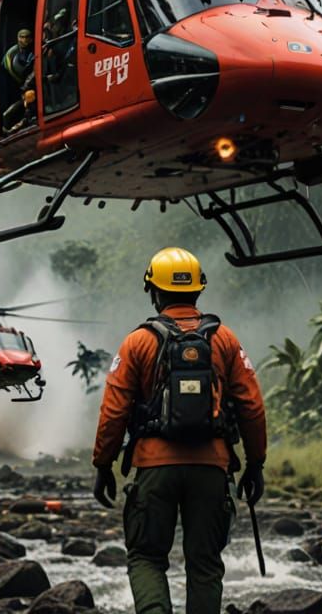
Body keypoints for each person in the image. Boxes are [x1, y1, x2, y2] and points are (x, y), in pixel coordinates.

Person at [92, 246, 266, 614]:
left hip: (154, 469)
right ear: (198, 290)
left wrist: (103, 464)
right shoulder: (226, 340)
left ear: (154, 292)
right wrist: (256, 464)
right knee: (204, 564)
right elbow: (252, 406)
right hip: (211, 468)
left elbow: (113, 410)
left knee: (146, 558)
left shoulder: (137, 342)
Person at [1, 27, 35, 132]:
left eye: (27, 37)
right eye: (22, 37)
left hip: (36, 85)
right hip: (24, 87)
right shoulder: (11, 54)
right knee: (7, 116)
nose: (24, 40)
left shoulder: (37, 49)